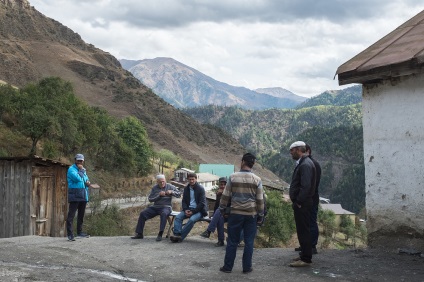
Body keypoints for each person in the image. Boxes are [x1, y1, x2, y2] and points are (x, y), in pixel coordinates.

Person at [219, 153, 264, 274]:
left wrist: (222, 209)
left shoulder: (233, 177)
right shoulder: (257, 179)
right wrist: (260, 215)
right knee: (249, 242)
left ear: (243, 161)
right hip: (251, 215)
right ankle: (247, 268)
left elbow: (225, 195)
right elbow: (260, 200)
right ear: (253, 164)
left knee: (232, 241)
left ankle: (228, 267)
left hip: (235, 214)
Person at [288, 141, 316, 267]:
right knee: (302, 230)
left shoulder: (305, 165)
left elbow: (306, 186)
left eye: (292, 150)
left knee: (304, 231)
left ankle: (306, 258)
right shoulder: (305, 163)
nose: (291, 153)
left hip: (303, 204)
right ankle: (304, 254)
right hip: (303, 203)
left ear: (299, 150)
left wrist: (298, 201)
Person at [131, 174, 181, 241]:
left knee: (164, 213)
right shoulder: (155, 188)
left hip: (166, 207)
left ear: (165, 180)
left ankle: (160, 233)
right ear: (157, 182)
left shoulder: (170, 186)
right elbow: (150, 199)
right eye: (160, 182)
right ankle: (139, 233)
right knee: (143, 213)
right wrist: (159, 196)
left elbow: (179, 194)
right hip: (155, 207)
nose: (162, 183)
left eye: (163, 181)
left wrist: (172, 192)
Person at [295, 144, 321, 255]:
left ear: (308, 151)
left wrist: (300, 199)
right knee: (306, 223)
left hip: (310, 198)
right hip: (309, 197)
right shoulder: (309, 163)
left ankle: (312, 246)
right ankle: (306, 246)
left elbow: (308, 184)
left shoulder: (310, 164)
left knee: (311, 221)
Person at [170, 173, 208, 243]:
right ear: (188, 180)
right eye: (190, 179)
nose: (191, 181)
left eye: (193, 179)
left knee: (191, 220)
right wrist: (185, 209)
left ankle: (180, 237)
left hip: (199, 211)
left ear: (196, 179)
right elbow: (184, 201)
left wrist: (193, 212)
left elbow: (202, 204)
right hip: (188, 209)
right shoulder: (186, 189)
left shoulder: (200, 189)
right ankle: (176, 234)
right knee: (178, 217)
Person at [66, 153, 91, 241]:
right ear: (75, 160)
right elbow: (77, 178)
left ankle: (79, 232)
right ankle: (70, 234)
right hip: (74, 194)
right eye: (78, 160)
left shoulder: (83, 170)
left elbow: (86, 179)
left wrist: (88, 182)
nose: (80, 162)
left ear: (83, 161)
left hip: (83, 193)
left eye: (81, 161)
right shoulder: (71, 169)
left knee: (81, 215)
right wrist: (81, 171)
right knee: (71, 215)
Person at [200, 177, 227, 247]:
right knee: (219, 219)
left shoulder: (230, 193)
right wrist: (214, 216)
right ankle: (221, 241)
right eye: (221, 184)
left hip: (229, 214)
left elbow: (229, 205)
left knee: (219, 212)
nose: (223, 186)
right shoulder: (218, 193)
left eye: (225, 184)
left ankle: (208, 231)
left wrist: (223, 194)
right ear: (219, 185)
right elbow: (216, 206)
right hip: (221, 214)